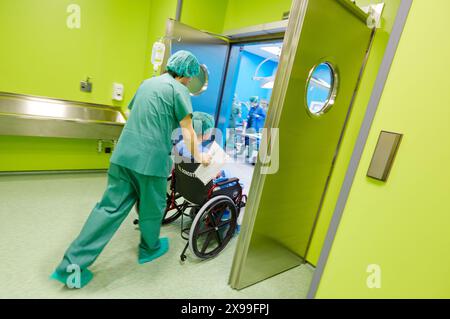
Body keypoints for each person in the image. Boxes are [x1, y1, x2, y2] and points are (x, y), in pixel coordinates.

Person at [50, 50, 210, 289]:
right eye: (190, 77)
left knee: (107, 209)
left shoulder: (148, 83)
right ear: (185, 74)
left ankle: (69, 267)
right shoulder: (179, 90)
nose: (189, 81)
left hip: (123, 155)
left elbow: (136, 113)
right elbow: (187, 130)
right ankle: (149, 248)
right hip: (150, 161)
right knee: (152, 207)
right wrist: (202, 156)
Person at [245, 96, 266, 161]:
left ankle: (250, 154)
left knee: (252, 141)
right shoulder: (252, 108)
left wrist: (258, 116)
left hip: (255, 127)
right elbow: (249, 114)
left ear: (255, 102)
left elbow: (264, 117)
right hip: (250, 126)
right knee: (248, 140)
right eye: (251, 103)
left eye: (252, 102)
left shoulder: (260, 109)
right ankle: (248, 153)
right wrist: (248, 116)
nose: (251, 104)